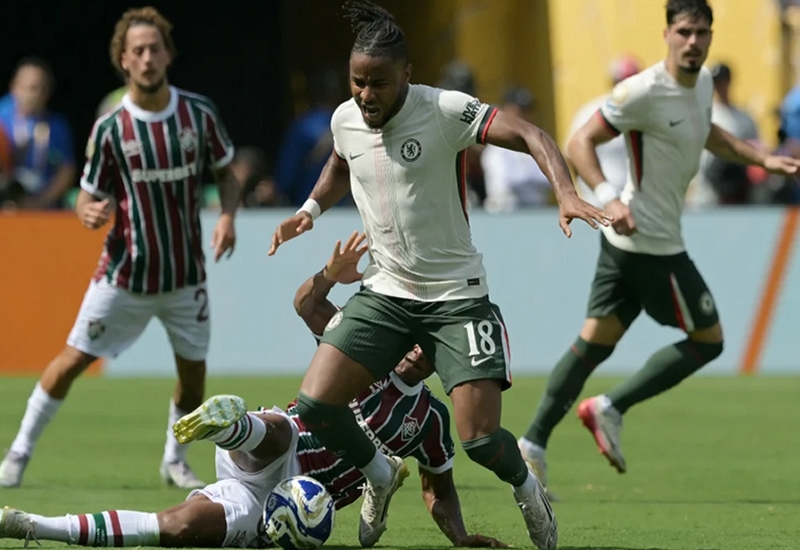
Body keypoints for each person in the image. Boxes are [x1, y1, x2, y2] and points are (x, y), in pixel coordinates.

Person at [267, 2, 612, 548]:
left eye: (378, 83)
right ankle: (379, 474)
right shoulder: (346, 118)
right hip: (384, 292)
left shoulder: (445, 109)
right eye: (358, 83)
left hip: (456, 297)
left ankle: (526, 486)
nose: (366, 95)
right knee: (315, 404)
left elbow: (529, 134)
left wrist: (566, 192)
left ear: (407, 74)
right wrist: (309, 211)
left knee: (478, 441)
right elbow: (340, 160)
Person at [0, 235, 507, 549]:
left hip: (289, 503)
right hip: (279, 449)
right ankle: (234, 425)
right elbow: (307, 305)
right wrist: (329, 276)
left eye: (428, 343)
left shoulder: (433, 421)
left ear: (440, 354)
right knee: (281, 429)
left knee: (173, 529)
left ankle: (35, 526)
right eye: (413, 337)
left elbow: (437, 491)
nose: (417, 348)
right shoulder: (361, 354)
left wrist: (460, 537)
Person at [517, 0, 800, 492]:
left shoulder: (704, 84)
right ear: (667, 33)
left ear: (711, 36)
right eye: (685, 31)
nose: (693, 41)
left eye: (702, 32)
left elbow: (706, 131)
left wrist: (761, 157)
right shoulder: (641, 91)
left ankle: (533, 444)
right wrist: (606, 196)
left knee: (592, 345)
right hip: (648, 240)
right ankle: (610, 407)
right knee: (709, 339)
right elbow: (580, 140)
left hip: (628, 242)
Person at [0, 7, 240, 490]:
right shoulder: (111, 129)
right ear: (123, 61)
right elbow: (88, 192)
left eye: (155, 48)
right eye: (138, 51)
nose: (148, 58)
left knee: (193, 378)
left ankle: (175, 460)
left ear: (168, 54)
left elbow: (226, 174)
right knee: (70, 362)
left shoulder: (198, 114)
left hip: (185, 277)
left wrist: (229, 215)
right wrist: (85, 210)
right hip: (124, 275)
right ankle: (17, 455)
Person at [0, 57, 76, 209]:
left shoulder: (57, 126)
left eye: (43, 89)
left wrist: (40, 202)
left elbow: (66, 171)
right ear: (14, 87)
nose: (35, 94)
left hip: (41, 203)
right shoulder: (1, 118)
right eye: (31, 88)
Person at [567, 55, 641, 208]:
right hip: (598, 202)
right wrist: (595, 192)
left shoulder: (647, 114)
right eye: (622, 81)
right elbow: (572, 152)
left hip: (637, 203)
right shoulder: (590, 112)